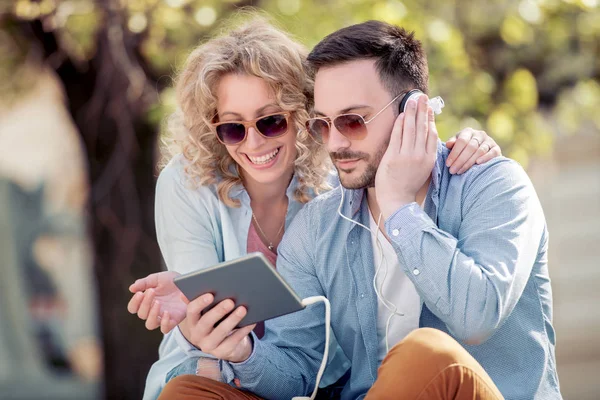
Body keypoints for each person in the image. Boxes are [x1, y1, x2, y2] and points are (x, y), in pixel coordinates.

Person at [155, 20, 561, 400]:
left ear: (414, 110)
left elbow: (477, 318)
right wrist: (243, 351)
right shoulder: (318, 224)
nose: (334, 144)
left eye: (352, 121)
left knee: (424, 353)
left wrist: (399, 207)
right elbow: (298, 366)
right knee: (188, 393)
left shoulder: (493, 185)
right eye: (323, 124)